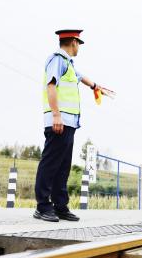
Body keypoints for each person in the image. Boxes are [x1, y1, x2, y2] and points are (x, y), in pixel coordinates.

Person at [33, 29, 112, 222]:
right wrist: (56, 115)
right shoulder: (57, 60)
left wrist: (96, 86)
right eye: (79, 44)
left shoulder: (68, 63)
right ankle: (42, 206)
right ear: (74, 42)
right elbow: (51, 86)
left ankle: (60, 206)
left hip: (68, 123)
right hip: (58, 121)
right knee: (50, 164)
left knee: (63, 167)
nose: (79, 48)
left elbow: (81, 76)